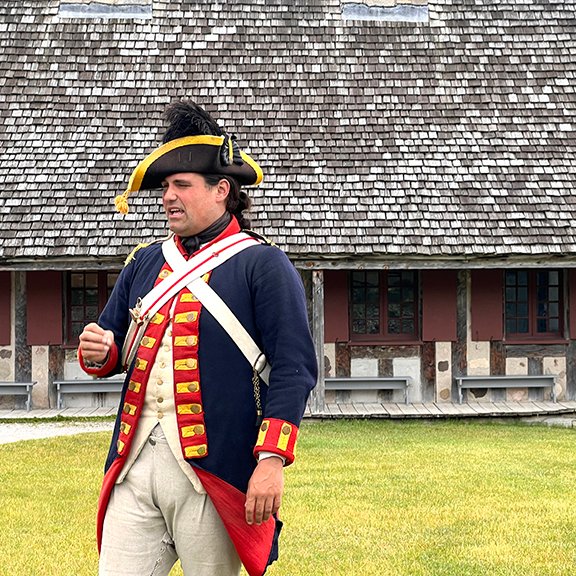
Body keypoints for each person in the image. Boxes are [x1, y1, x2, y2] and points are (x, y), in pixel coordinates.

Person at [78, 100, 318, 576]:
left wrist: (270, 461)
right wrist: (100, 349)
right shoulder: (145, 262)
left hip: (215, 470)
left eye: (181, 185)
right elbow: (112, 344)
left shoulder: (262, 264)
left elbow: (294, 368)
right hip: (134, 465)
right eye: (166, 186)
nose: (168, 196)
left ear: (221, 190)